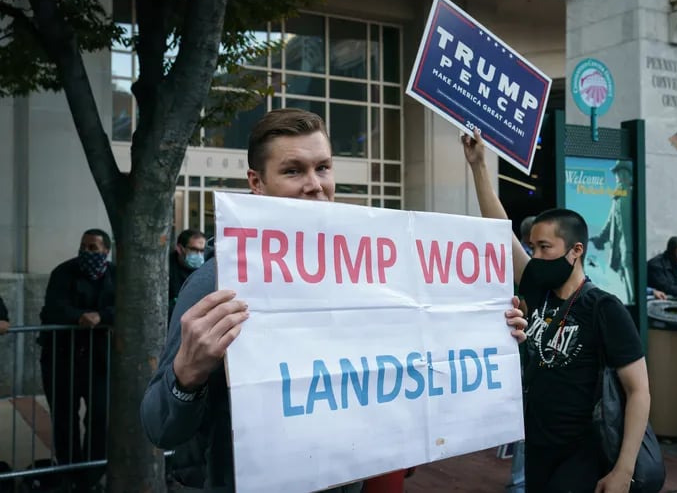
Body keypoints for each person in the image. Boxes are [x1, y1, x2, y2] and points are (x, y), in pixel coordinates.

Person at [142, 109, 529, 492]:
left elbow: (421, 357)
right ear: (256, 183)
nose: (314, 184)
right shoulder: (215, 284)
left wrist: (487, 329)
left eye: (323, 167)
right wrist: (185, 376)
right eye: (293, 171)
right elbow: (160, 429)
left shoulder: (377, 273)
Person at [462, 128, 650, 492]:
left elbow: (639, 390)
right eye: (532, 247)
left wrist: (623, 471)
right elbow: (499, 231)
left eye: (545, 247)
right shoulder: (540, 288)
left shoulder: (604, 308)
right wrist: (479, 165)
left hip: (583, 454)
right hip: (537, 448)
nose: (535, 255)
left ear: (575, 251)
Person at [39, 229, 114, 492]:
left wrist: (101, 316)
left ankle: (92, 475)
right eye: (84, 247)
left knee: (99, 417)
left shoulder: (116, 275)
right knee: (64, 419)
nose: (87, 252)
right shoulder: (64, 272)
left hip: (99, 362)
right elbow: (53, 308)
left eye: (93, 248)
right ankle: (70, 473)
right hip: (62, 360)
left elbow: (126, 306)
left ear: (106, 250)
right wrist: (80, 317)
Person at [589, 160, 634, 304]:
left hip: (631, 249)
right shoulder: (617, 198)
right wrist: (599, 239)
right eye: (617, 174)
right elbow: (610, 223)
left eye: (621, 173)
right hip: (623, 249)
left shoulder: (633, 195)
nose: (618, 177)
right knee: (626, 275)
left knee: (630, 275)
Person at [169, 229, 206, 320]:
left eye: (202, 251)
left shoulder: (205, 270)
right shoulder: (166, 269)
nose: (199, 255)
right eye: (194, 250)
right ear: (180, 249)